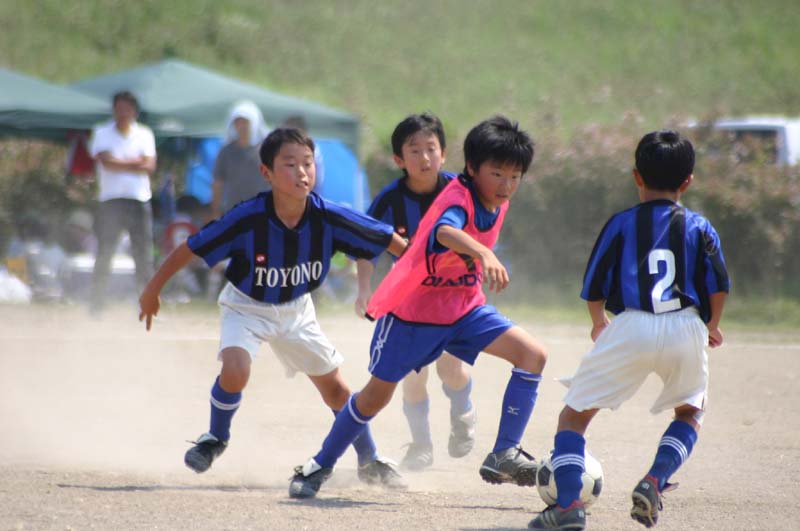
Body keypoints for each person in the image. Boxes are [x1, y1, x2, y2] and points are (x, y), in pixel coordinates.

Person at [289, 115, 548, 500]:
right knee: (375, 397)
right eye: (497, 174)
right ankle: (320, 464)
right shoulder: (458, 196)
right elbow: (445, 230)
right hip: (413, 316)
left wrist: (480, 257)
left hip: (464, 309)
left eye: (515, 176)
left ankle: (504, 453)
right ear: (472, 168)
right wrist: (483, 252)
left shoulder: (495, 199)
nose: (506, 185)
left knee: (532, 356)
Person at [138, 127, 408, 490]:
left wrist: (421, 268)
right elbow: (193, 246)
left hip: (296, 310)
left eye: (308, 163)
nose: (301, 172)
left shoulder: (328, 215)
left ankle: (369, 459)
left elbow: (384, 237)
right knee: (236, 369)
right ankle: (215, 438)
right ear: (266, 172)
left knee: (336, 391)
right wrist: (153, 289)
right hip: (246, 305)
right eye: (290, 164)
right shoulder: (248, 217)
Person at [528, 130, 730, 531]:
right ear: (688, 181)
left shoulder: (622, 223)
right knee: (690, 410)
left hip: (632, 323)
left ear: (636, 176)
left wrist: (597, 321)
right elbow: (719, 283)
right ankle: (655, 478)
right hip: (686, 324)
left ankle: (567, 506)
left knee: (574, 417)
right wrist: (712, 324)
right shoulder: (700, 226)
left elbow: (594, 282)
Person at [355, 112, 476, 471]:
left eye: (431, 149)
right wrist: (363, 289)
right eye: (414, 150)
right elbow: (366, 247)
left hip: (452, 295)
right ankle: (421, 444)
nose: (424, 157)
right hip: (409, 299)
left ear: (444, 153)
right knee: (412, 376)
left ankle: (463, 413)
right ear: (399, 159)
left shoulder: (461, 191)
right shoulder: (389, 201)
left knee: (451, 370)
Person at [89, 91, 157, 312]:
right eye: (119, 108)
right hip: (111, 200)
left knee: (143, 254)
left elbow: (149, 165)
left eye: (127, 108)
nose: (123, 113)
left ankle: (146, 303)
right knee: (105, 251)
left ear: (134, 111)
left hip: (139, 199)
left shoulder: (144, 134)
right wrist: (135, 163)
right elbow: (106, 163)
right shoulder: (102, 132)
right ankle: (97, 304)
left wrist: (120, 162)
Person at [210, 101, 270, 219]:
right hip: (234, 212)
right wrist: (215, 211)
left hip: (262, 212)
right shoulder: (226, 152)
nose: (242, 126)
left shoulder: (267, 150)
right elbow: (218, 183)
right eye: (238, 122)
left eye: (245, 122)